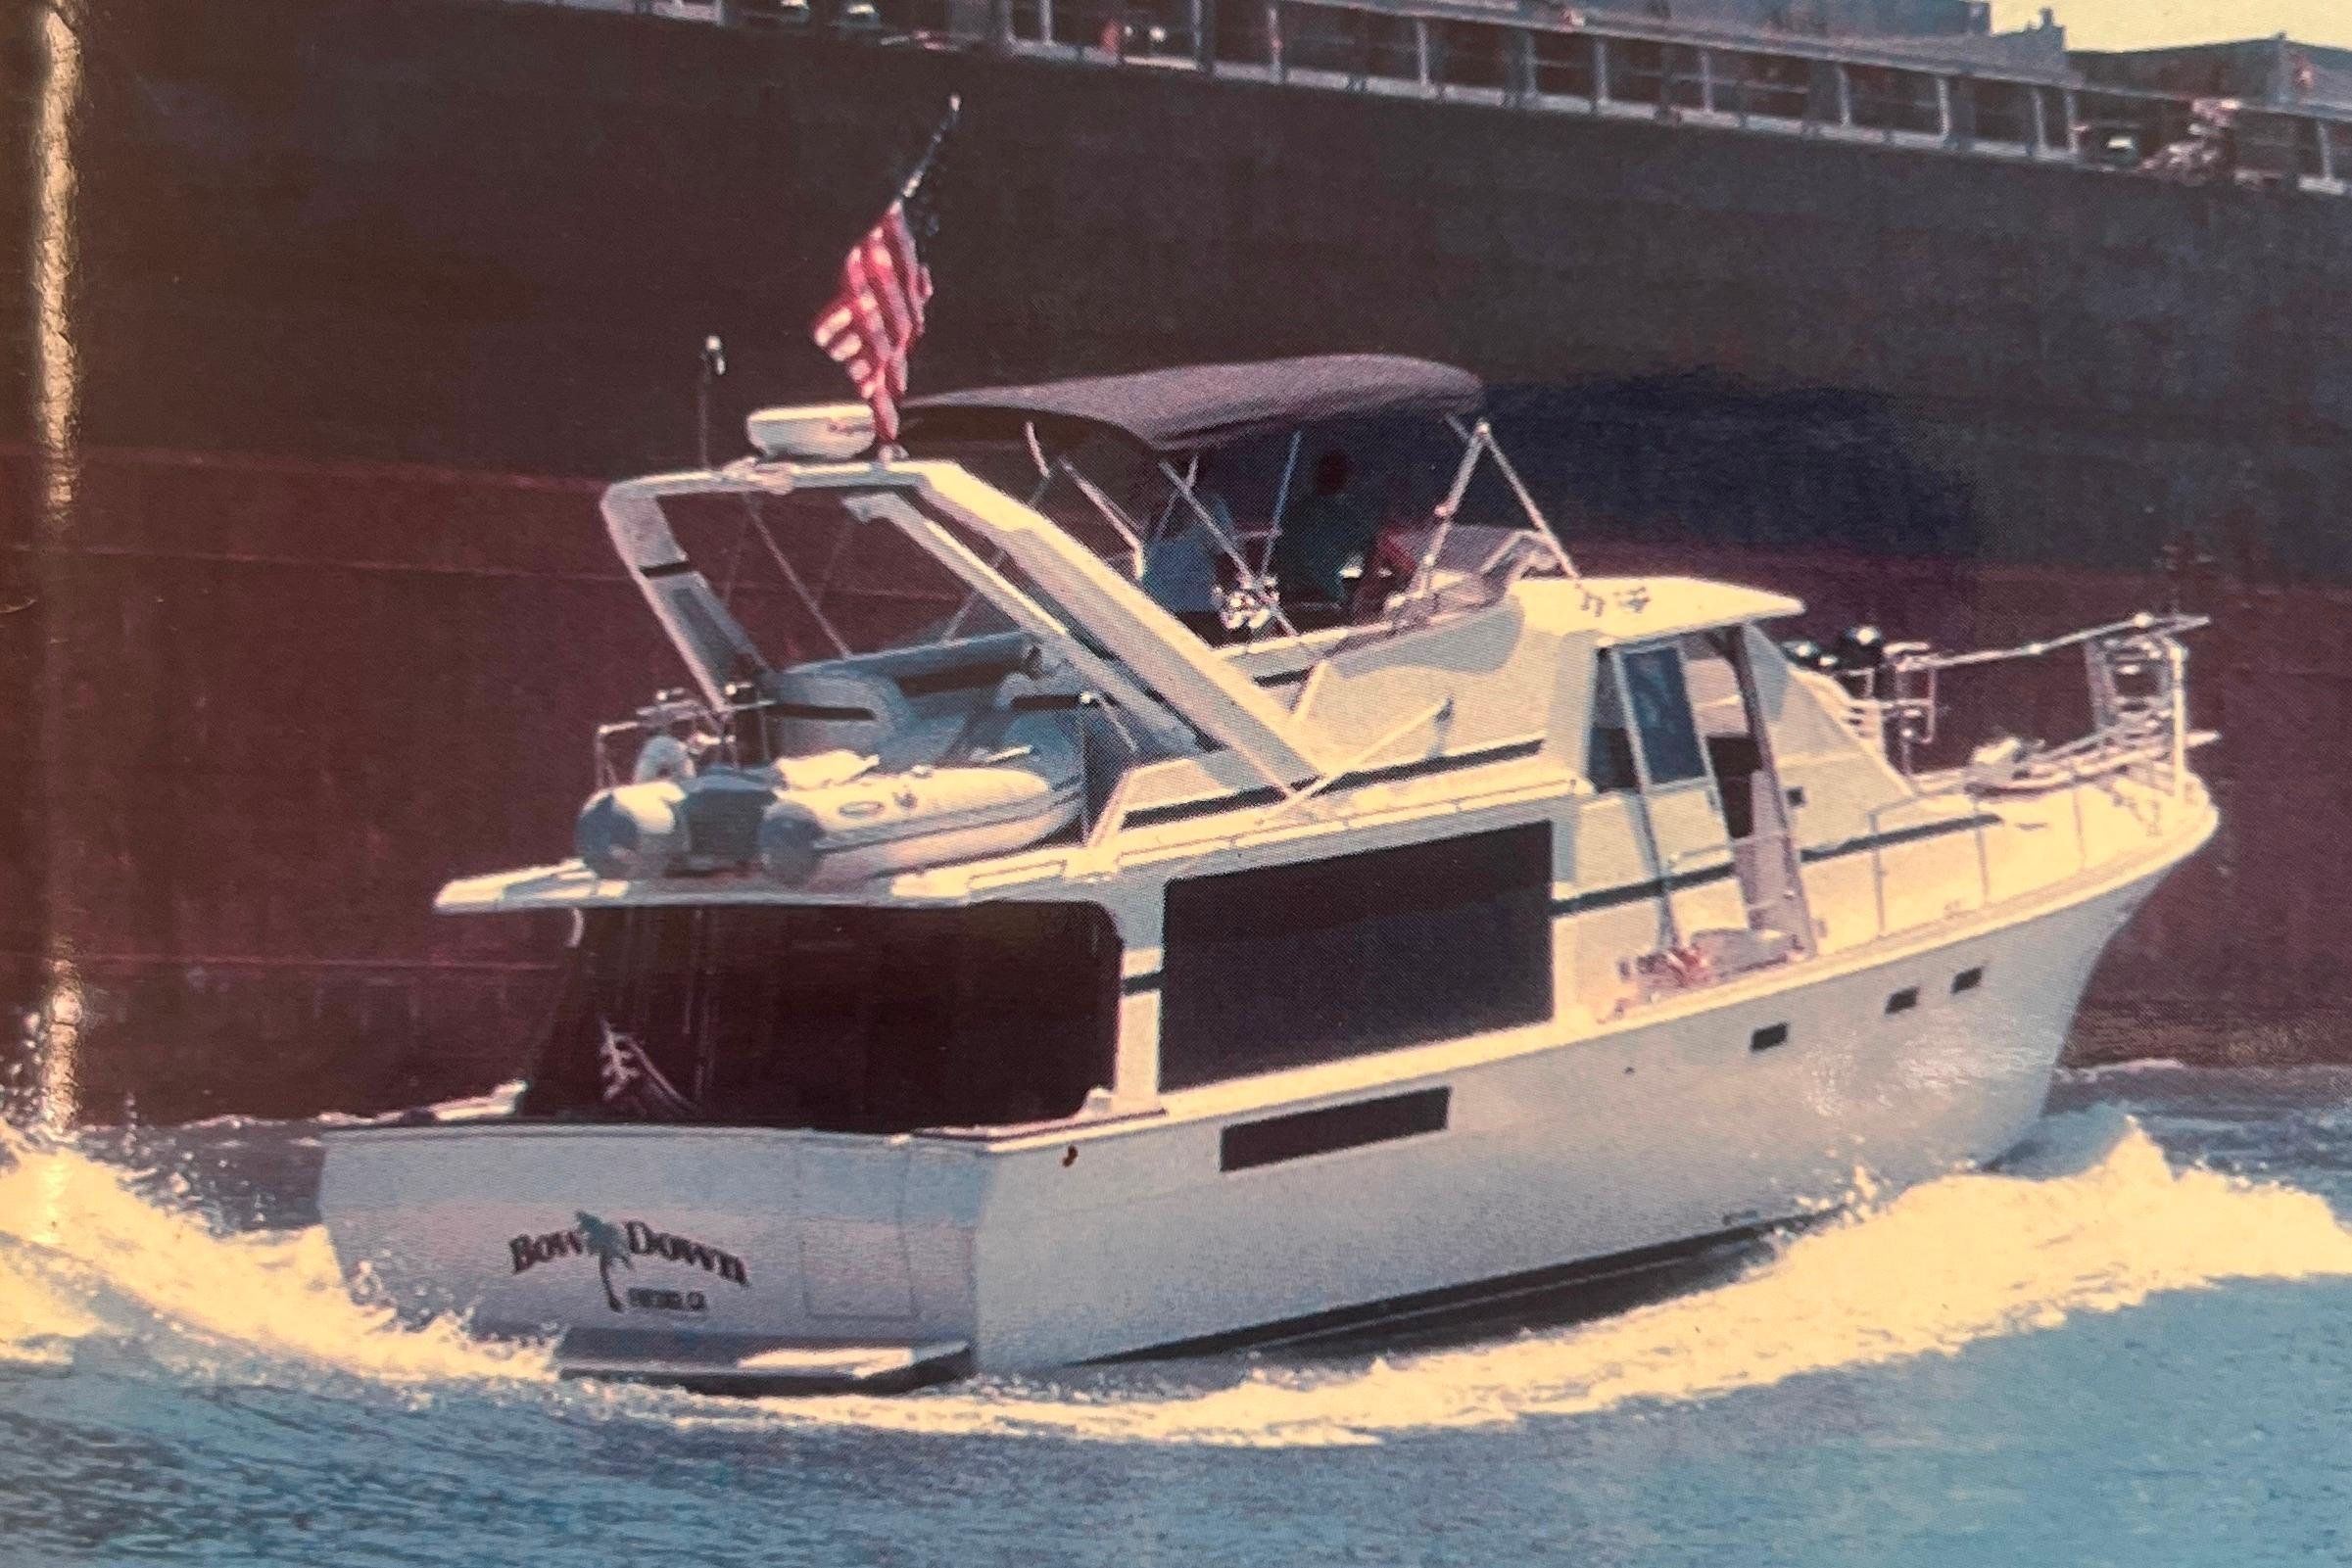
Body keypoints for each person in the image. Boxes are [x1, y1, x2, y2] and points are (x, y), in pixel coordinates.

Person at [1272, 449, 1378, 626]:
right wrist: (1359, 592)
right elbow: (1374, 549)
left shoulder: (1296, 512)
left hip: (1290, 602)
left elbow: (1280, 554)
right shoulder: (1347, 516)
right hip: (1326, 601)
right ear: (1346, 480)